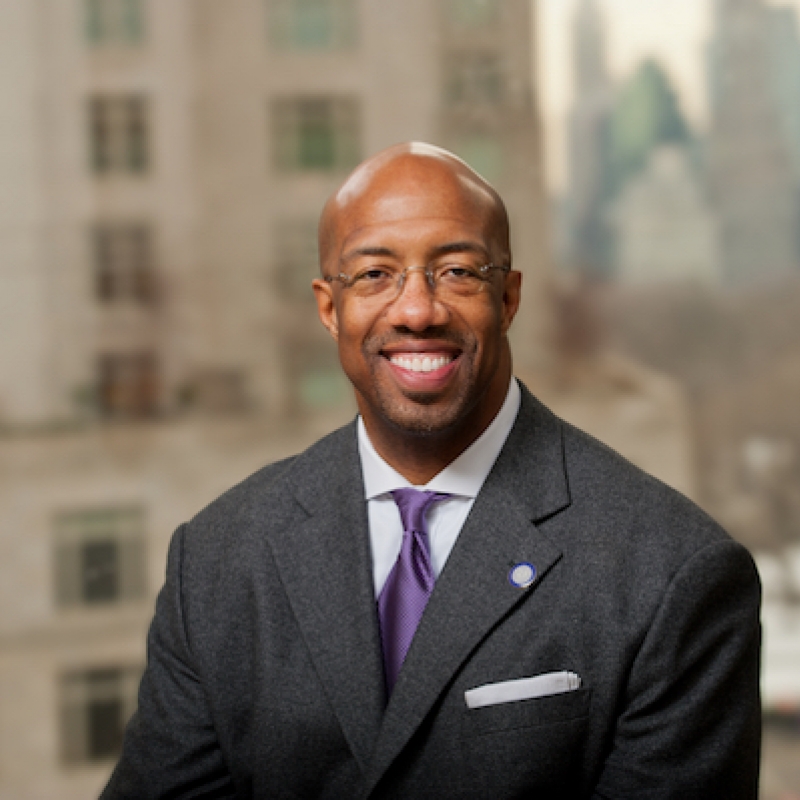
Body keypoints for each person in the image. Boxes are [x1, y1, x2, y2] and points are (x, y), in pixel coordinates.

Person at [101, 143, 761, 799]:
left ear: (508, 298)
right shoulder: (216, 558)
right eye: (375, 275)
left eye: (457, 272)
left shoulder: (674, 571)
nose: (417, 311)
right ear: (329, 307)